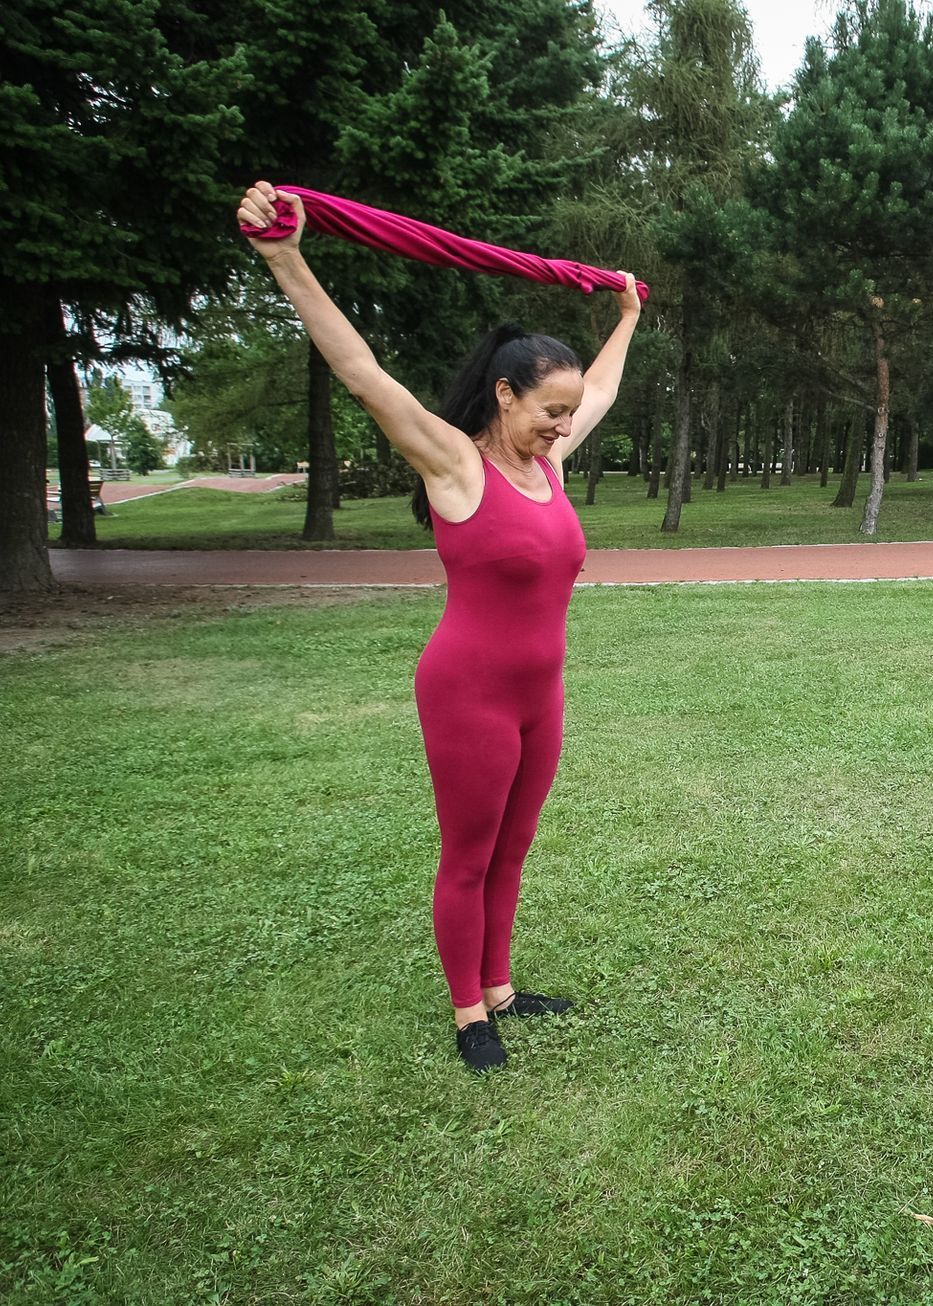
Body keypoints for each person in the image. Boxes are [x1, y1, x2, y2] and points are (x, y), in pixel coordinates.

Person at [238, 181, 642, 1071]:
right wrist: (284, 258)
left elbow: (604, 387)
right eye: (549, 412)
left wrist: (627, 311)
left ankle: (502, 985)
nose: (564, 426)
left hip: (542, 692)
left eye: (568, 415)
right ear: (504, 396)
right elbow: (362, 372)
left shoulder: (552, 465)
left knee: (518, 843)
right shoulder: (454, 467)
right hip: (469, 692)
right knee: (468, 853)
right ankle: (469, 1014)